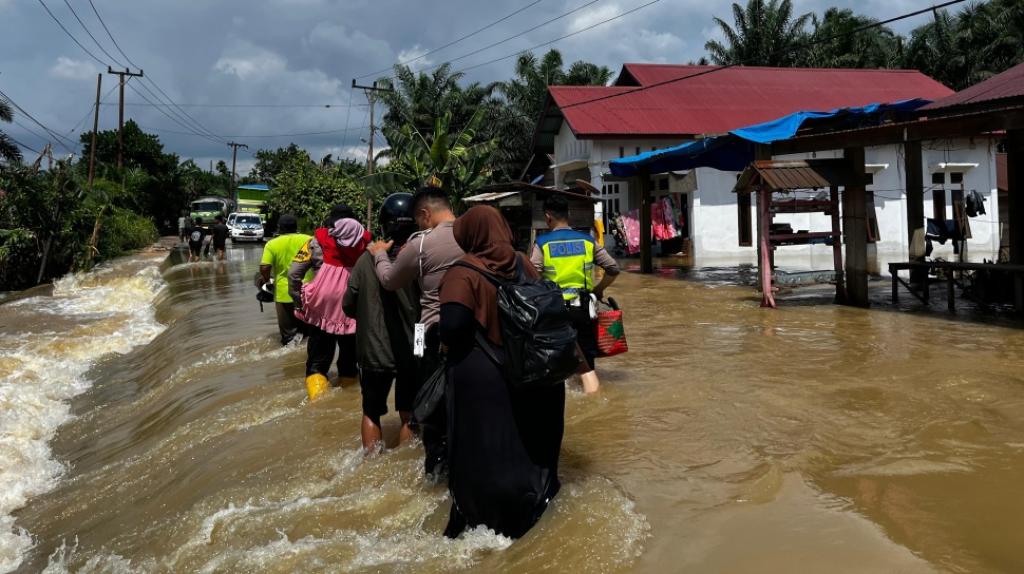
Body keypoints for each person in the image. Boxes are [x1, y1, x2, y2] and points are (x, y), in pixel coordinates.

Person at [439, 205, 564, 539]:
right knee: (528, 445)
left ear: (469, 235)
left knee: (485, 451)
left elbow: (452, 326)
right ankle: (535, 508)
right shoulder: (523, 262)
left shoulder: (462, 271)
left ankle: (484, 522)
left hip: (485, 379)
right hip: (532, 370)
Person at [367, 187, 464, 478]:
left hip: (430, 331)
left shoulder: (420, 245)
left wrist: (379, 255)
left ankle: (435, 468)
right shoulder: (472, 234)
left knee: (428, 397)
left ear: (425, 214)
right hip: (471, 331)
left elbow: (388, 280)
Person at [343, 193, 420, 453]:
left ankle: (370, 467)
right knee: (409, 412)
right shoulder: (421, 256)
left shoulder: (365, 260)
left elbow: (348, 304)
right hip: (414, 346)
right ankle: (403, 464)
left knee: (371, 411)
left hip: (373, 349)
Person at [531, 194, 620, 394]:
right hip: (584, 310)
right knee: (586, 360)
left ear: (548, 217)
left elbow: (532, 275)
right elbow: (613, 268)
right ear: (568, 215)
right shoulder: (587, 241)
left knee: (560, 362)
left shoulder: (542, 243)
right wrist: (599, 289)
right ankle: (593, 395)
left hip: (555, 313)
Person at [288, 205, 369, 400]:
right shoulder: (367, 244)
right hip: (353, 311)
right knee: (349, 361)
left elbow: (293, 274)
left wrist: (300, 304)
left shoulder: (315, 242)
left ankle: (318, 403)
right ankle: (348, 397)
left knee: (317, 361)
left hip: (321, 309)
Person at [259, 214, 311, 345]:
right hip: (308, 292)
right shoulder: (310, 240)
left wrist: (266, 282)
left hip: (284, 293)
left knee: (288, 336)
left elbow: (265, 267)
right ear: (296, 227)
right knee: (309, 332)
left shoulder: (272, 244)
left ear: (279, 228)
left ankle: (290, 362)